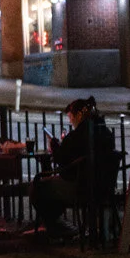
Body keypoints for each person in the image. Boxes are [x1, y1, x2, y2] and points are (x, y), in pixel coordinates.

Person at [32, 98, 117, 240]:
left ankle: (55, 225)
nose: (71, 121)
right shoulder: (105, 132)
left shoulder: (76, 136)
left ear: (79, 115)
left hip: (80, 186)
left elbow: (62, 161)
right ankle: (60, 225)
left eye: (71, 117)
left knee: (37, 187)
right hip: (105, 186)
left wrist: (54, 147)